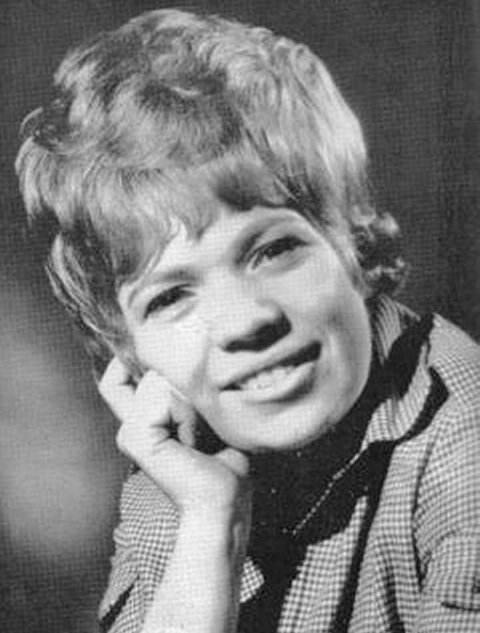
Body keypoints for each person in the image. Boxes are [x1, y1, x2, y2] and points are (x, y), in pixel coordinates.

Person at [15, 8, 480, 633]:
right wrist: (212, 519)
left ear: (355, 247)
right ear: (131, 359)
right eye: (170, 298)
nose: (245, 323)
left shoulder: (465, 433)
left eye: (275, 250)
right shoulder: (181, 458)